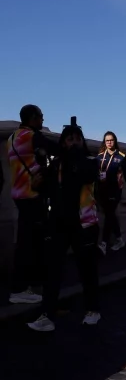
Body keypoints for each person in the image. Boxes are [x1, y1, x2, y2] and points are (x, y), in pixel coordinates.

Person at [27, 119, 102, 331]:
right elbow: (49, 191)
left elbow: (83, 174)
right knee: (53, 271)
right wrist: (37, 185)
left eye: (78, 138)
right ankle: (47, 314)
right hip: (59, 223)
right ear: (63, 142)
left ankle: (93, 309)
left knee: (86, 270)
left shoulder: (89, 161)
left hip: (84, 224)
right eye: (70, 139)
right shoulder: (56, 166)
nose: (75, 142)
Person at [7, 104, 58, 304]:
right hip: (32, 194)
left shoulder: (11, 139)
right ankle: (20, 289)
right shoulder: (32, 136)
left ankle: (27, 285)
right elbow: (56, 149)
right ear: (32, 118)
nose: (43, 120)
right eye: (41, 117)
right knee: (29, 244)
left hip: (18, 195)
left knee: (27, 241)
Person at [96, 131, 126, 255]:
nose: (109, 142)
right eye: (107, 140)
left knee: (109, 214)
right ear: (104, 142)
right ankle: (119, 239)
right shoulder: (100, 156)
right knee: (110, 214)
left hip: (115, 190)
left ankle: (104, 243)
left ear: (115, 141)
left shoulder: (121, 157)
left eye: (111, 140)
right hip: (102, 190)